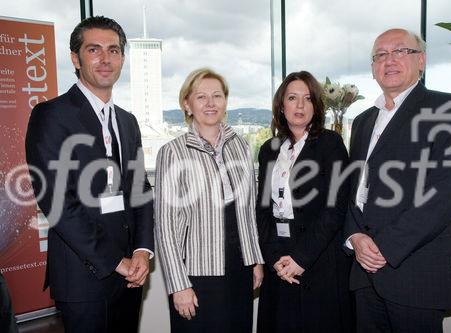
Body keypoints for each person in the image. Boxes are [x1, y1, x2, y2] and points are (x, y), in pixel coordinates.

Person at [25, 16, 154, 333]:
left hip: (130, 276)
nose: (106, 59)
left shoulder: (127, 122)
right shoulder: (52, 115)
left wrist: (141, 250)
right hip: (84, 279)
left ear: (122, 57)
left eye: (114, 50)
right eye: (94, 49)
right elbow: (57, 202)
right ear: (75, 58)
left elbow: (140, 191)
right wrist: (115, 260)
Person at [344, 28, 451, 332]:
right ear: (373, 68)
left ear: (422, 61)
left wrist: (383, 248)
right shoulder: (362, 122)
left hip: (414, 275)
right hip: (364, 275)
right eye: (381, 55)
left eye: (400, 51)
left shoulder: (447, 110)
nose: (390, 60)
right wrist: (355, 238)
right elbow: (353, 191)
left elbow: (441, 196)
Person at [155, 68, 264, 333]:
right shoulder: (172, 152)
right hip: (196, 271)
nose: (211, 103)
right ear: (187, 104)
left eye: (217, 95)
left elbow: (248, 211)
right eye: (201, 97)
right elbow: (165, 226)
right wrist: (179, 284)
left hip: (240, 265)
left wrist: (256, 259)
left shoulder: (241, 145)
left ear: (226, 102)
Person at [256, 71, 354, 333]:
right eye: (292, 97)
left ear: (316, 106)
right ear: (281, 105)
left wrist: (300, 258)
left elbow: (335, 209)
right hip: (279, 258)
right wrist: (275, 256)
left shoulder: (330, 144)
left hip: (318, 257)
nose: (300, 105)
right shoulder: (269, 148)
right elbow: (263, 209)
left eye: (308, 98)